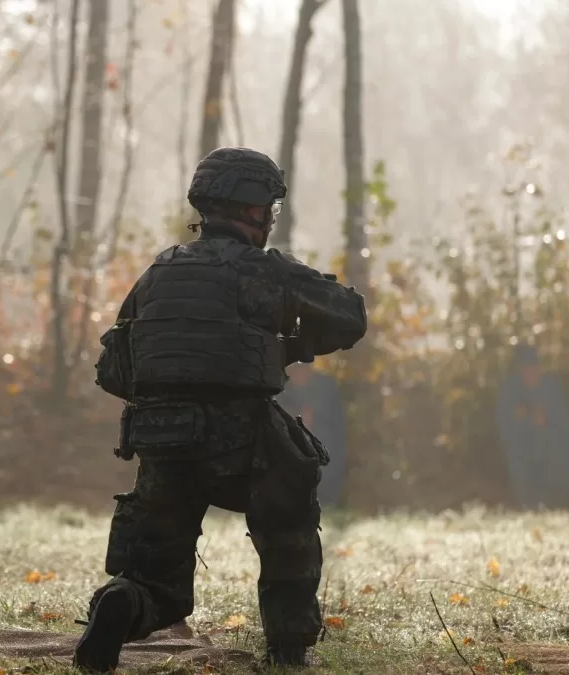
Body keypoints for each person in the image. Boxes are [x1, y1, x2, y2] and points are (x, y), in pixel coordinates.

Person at [77, 147, 369, 670]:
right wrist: (293, 345)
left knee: (157, 581)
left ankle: (123, 601)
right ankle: (288, 647)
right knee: (289, 521)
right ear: (253, 208)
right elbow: (349, 315)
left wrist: (169, 397)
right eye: (269, 210)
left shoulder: (158, 274)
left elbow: (113, 369)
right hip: (243, 437)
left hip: (162, 440)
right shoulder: (266, 271)